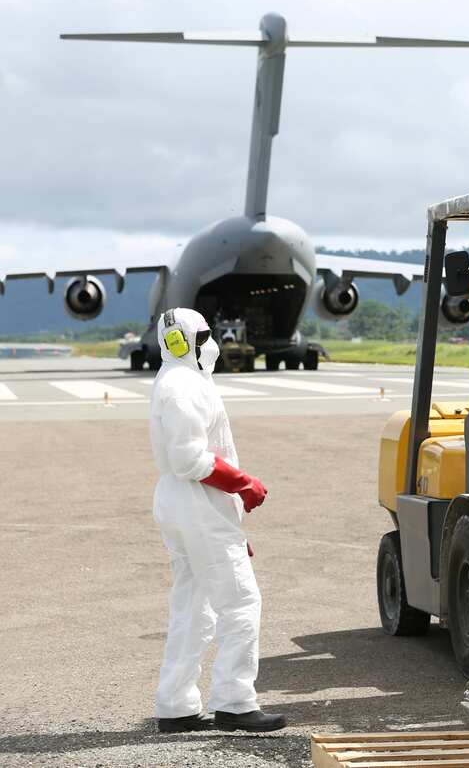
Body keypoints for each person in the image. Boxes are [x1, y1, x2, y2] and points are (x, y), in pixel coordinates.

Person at [149, 308, 286, 733]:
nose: (213, 343)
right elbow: (188, 458)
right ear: (189, 342)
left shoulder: (175, 379)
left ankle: (176, 705)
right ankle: (235, 702)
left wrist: (228, 529)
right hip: (196, 503)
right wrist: (243, 484)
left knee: (194, 607)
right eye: (206, 335)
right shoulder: (184, 386)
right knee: (240, 601)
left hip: (186, 506)